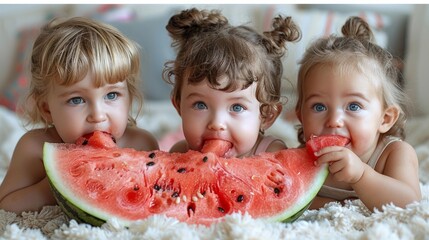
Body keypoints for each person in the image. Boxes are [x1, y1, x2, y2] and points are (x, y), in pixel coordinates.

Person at [0, 17, 159, 214]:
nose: (98, 115)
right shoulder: (33, 148)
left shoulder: (141, 143)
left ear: (129, 98)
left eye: (111, 95)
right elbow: (6, 204)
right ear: (47, 109)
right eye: (77, 100)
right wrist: (63, 182)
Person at [294, 16, 421, 211]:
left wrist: (361, 175)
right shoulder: (303, 157)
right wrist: (338, 205)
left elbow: (410, 202)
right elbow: (294, 200)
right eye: (319, 107)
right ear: (300, 115)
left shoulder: (394, 154)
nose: (334, 121)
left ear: (385, 119)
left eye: (353, 106)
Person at [162, 8, 301, 157]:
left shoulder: (272, 153)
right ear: (179, 106)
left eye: (237, 107)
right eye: (200, 105)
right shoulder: (180, 153)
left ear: (266, 115)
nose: (216, 123)